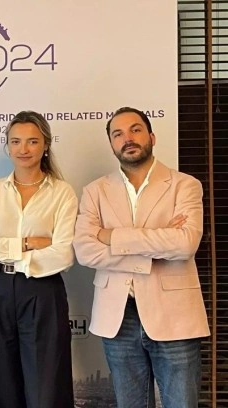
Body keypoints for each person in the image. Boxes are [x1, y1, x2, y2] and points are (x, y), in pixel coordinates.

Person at [73, 107, 208, 408]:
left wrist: (111, 236)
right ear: (111, 144)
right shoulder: (95, 191)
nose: (128, 139)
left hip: (174, 314)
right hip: (118, 317)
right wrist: (158, 244)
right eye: (118, 134)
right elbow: (85, 250)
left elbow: (185, 244)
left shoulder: (185, 185)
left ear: (151, 136)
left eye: (135, 130)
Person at [0, 111, 77, 408]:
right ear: (8, 146)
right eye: (15, 141)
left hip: (43, 289)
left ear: (45, 145)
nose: (23, 149)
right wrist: (27, 245)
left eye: (32, 141)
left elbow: (63, 254)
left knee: (47, 386)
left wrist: (1, 247)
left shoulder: (62, 193)